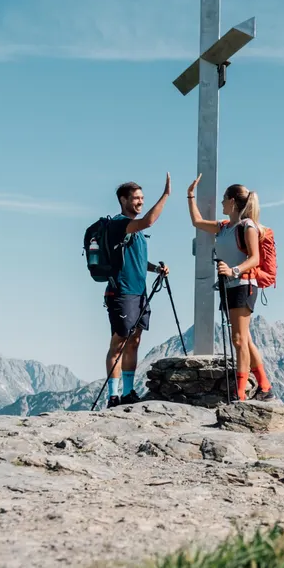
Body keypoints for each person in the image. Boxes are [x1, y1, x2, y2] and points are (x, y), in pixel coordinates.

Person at [187, 175, 275, 402]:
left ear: (233, 202)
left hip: (243, 284)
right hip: (230, 285)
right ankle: (264, 385)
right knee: (244, 338)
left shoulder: (248, 227)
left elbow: (255, 259)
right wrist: (190, 196)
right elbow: (197, 222)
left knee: (238, 339)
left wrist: (234, 270)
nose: (222, 204)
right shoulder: (225, 227)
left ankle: (240, 393)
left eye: (224, 200)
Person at [104, 174, 171, 405]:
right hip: (122, 292)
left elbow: (138, 261)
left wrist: (155, 269)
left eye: (142, 198)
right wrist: (166, 195)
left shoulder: (137, 231)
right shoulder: (119, 224)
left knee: (134, 341)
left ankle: (128, 393)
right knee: (119, 342)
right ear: (123, 200)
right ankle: (113, 396)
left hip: (139, 293)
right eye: (136, 198)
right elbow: (150, 220)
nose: (141, 202)